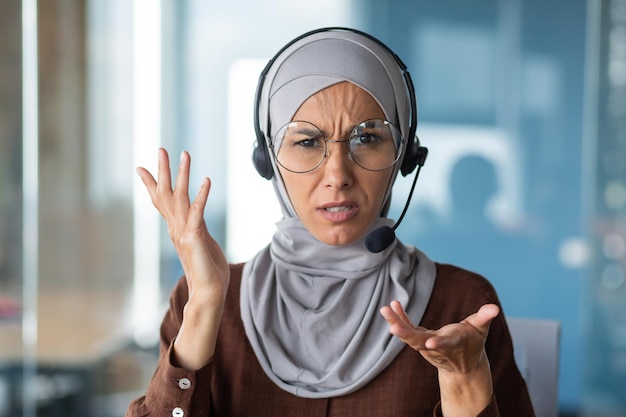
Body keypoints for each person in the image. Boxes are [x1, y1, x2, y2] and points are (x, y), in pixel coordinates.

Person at [127, 27, 535, 417]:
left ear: (405, 155)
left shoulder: (462, 307)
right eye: (306, 142)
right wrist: (204, 308)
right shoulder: (201, 299)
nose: (338, 175)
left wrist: (466, 380)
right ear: (268, 160)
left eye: (368, 138)